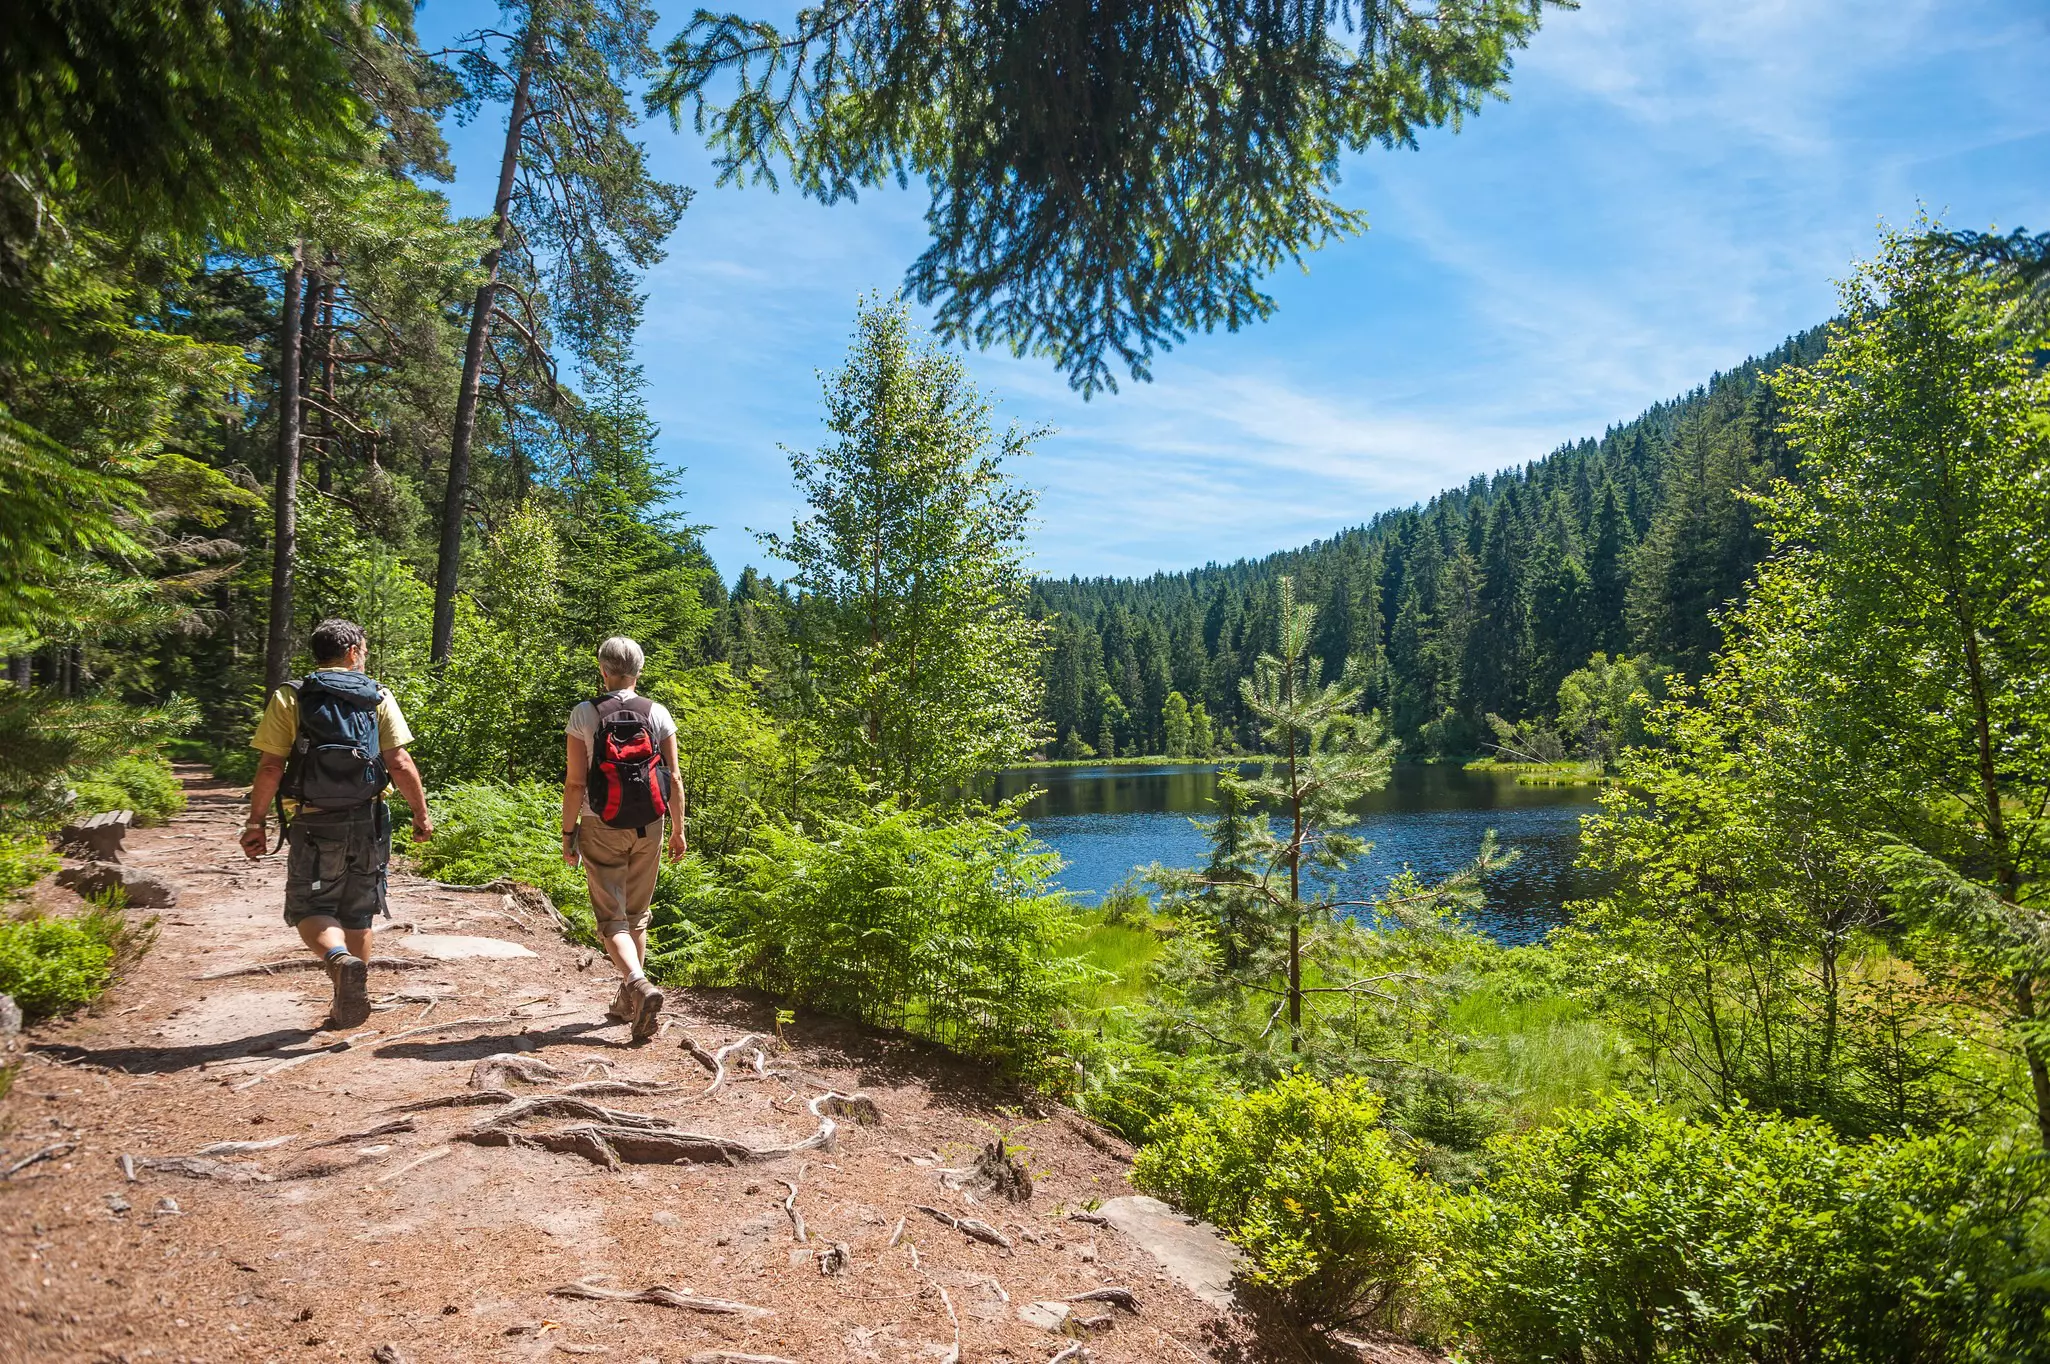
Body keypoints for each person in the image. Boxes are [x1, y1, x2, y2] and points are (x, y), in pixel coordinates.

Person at [240, 619, 433, 1028]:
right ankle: (349, 1001)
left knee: (310, 906)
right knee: (358, 911)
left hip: (312, 819)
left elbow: (272, 765)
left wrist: (256, 823)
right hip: (369, 819)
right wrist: (420, 813)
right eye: (362, 649)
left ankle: (338, 960)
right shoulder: (377, 695)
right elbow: (399, 762)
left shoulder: (291, 697)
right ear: (352, 652)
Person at [562, 636, 686, 1042]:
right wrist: (679, 830)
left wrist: (569, 834)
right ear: (639, 670)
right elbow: (675, 779)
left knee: (611, 919)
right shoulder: (658, 713)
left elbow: (576, 782)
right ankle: (628, 1002)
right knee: (637, 914)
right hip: (650, 824)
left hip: (601, 823)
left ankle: (637, 984)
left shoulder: (585, 714)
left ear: (603, 670)